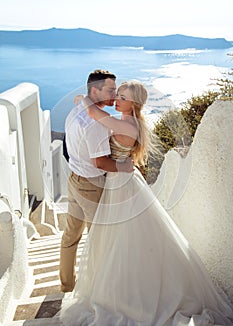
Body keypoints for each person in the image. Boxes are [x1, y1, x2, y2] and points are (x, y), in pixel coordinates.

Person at [58, 81, 233, 325]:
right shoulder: (129, 121)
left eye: (123, 97)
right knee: (122, 241)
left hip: (120, 185)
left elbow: (93, 113)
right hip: (122, 181)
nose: (117, 99)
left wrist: (82, 99)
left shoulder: (126, 124)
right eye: (117, 94)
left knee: (123, 240)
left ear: (135, 103)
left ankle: (131, 293)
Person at [60, 70, 133, 293]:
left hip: (73, 180)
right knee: (100, 241)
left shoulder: (76, 110)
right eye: (110, 90)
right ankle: (98, 290)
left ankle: (67, 285)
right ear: (95, 90)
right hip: (91, 186)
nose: (114, 95)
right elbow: (101, 162)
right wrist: (123, 167)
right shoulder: (97, 125)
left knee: (70, 237)